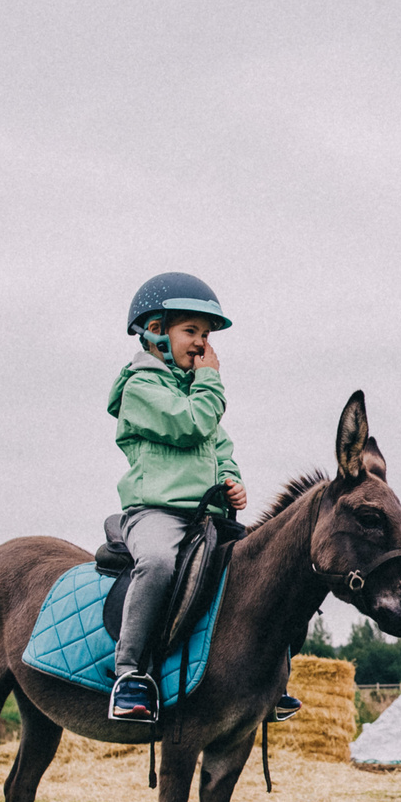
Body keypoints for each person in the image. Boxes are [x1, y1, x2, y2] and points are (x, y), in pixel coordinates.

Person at [105, 272, 248, 723]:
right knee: (159, 564)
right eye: (191, 331)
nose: (202, 345)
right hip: (156, 512)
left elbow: (219, 448)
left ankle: (263, 677)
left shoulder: (198, 392)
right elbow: (189, 426)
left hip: (206, 515)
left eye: (205, 335)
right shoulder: (140, 388)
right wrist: (210, 383)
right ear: (153, 332)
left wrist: (231, 481)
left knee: (264, 565)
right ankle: (128, 674)